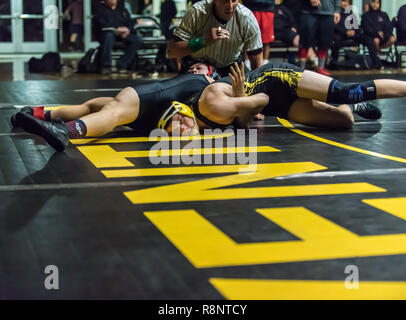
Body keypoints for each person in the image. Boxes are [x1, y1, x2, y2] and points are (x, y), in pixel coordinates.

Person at [167, 0, 264, 77]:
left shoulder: (247, 18)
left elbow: (257, 64)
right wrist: (203, 41)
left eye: (234, 0)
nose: (230, 6)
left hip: (230, 67)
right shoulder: (197, 11)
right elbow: (171, 52)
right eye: (224, 1)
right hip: (197, 65)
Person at [93, 0, 142, 74]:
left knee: (136, 40)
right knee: (108, 36)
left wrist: (127, 29)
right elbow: (100, 22)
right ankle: (106, 66)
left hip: (123, 34)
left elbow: (129, 21)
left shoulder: (122, 9)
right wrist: (116, 28)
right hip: (108, 34)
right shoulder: (99, 9)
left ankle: (122, 64)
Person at [299, 0, 341, 76]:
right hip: (308, 11)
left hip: (328, 12)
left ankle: (321, 68)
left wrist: (337, 10)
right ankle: (301, 69)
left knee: (324, 41)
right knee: (305, 40)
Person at [361, 0, 396, 65]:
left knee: (393, 38)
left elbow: (388, 26)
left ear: (380, 4)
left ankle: (379, 49)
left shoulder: (384, 14)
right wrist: (377, 32)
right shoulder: (365, 16)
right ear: (370, 3)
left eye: (377, 3)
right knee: (376, 40)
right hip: (372, 37)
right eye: (373, 2)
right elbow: (366, 29)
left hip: (384, 36)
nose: (375, 4)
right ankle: (377, 58)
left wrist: (384, 33)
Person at [242, 0, 275, 64]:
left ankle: (265, 63)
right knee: (248, 38)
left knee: (266, 40)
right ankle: (247, 63)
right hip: (250, 9)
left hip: (267, 9)